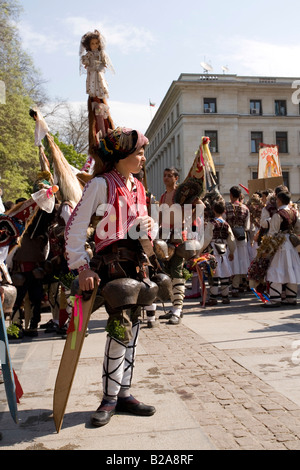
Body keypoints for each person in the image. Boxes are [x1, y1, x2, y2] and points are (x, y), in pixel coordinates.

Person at [65, 127, 159, 427]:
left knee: (132, 331)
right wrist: (83, 267)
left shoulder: (139, 187)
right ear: (120, 157)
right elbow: (74, 229)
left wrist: (150, 228)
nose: (143, 158)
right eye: (138, 153)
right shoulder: (101, 185)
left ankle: (124, 394)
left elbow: (143, 228)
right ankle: (109, 397)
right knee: (120, 329)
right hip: (111, 269)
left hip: (137, 267)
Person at [158, 167, 187, 325]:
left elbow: (199, 204)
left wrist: (185, 221)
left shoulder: (180, 194)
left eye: (170, 175)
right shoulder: (163, 196)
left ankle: (177, 310)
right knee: (167, 273)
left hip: (177, 237)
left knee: (176, 271)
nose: (166, 178)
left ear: (176, 178)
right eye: (165, 175)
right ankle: (174, 307)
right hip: (164, 236)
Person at [264, 190, 300, 307]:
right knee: (292, 269)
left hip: (280, 243)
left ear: (279, 200)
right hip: (292, 243)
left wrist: (268, 248)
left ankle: (275, 298)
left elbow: (272, 233)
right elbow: (298, 228)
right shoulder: (295, 212)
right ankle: (291, 297)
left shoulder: (278, 214)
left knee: (276, 268)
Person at [202, 199, 236, 305]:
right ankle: (225, 296)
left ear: (213, 210)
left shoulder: (211, 223)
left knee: (214, 273)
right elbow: (231, 239)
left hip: (213, 249)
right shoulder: (226, 224)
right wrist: (232, 251)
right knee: (225, 273)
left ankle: (213, 297)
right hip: (224, 249)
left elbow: (207, 238)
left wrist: (201, 250)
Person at [225, 186, 250, 296]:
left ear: (231, 195)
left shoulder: (226, 207)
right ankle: (241, 284)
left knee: (233, 260)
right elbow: (248, 226)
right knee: (242, 260)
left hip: (231, 236)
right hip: (242, 236)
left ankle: (234, 286)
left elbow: (224, 222)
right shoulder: (245, 208)